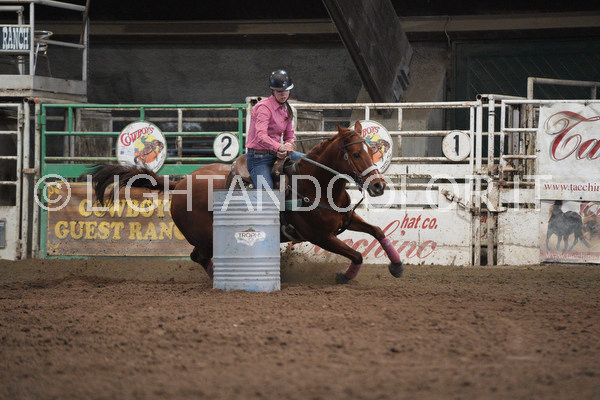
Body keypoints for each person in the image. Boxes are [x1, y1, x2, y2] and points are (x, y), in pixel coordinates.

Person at [246, 69, 301, 190]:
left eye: (286, 90)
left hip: (277, 154)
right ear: (272, 91)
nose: (283, 94)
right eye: (279, 91)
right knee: (267, 194)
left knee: (311, 162)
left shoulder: (286, 108)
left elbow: (289, 135)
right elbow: (261, 136)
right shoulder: (264, 108)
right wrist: (279, 147)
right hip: (259, 158)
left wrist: (288, 145)